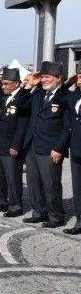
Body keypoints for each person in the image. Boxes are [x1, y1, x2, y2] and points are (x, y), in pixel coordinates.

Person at [22, 62, 72, 228]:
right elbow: (20, 101)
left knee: (51, 184)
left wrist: (59, 148)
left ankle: (56, 216)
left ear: (58, 78)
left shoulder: (65, 96)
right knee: (33, 182)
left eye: (47, 77)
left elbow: (67, 126)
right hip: (33, 145)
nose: (43, 80)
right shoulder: (38, 93)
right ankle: (39, 212)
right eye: (42, 77)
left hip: (51, 148)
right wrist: (30, 83)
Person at [0, 68, 28, 217]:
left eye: (6, 84)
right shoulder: (1, 96)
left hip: (11, 144)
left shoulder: (23, 97)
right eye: (2, 83)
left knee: (12, 177)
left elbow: (22, 125)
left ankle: (15, 205)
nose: (3, 86)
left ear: (16, 83)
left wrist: (16, 145)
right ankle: (0, 201)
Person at [64, 65, 81, 234]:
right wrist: (68, 82)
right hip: (76, 147)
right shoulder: (73, 95)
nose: (80, 80)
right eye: (79, 76)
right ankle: (79, 220)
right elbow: (58, 95)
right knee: (77, 187)